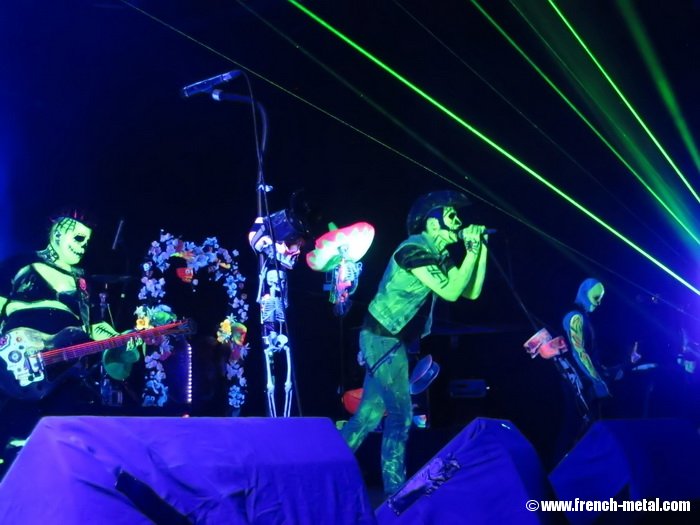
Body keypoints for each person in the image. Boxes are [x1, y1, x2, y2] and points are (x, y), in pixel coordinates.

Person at [339, 190, 489, 496]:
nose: (458, 222)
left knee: (368, 416)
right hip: (382, 336)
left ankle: (324, 467)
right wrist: (472, 251)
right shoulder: (413, 250)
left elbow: (470, 292)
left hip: (390, 340)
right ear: (432, 224)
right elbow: (450, 292)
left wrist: (480, 248)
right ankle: (396, 491)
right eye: (451, 216)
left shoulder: (438, 255)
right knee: (400, 414)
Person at [0, 210, 138, 475]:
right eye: (78, 238)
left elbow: (90, 327)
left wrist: (118, 339)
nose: (83, 246)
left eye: (87, 241)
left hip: (62, 369)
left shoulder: (82, 281)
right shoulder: (21, 262)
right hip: (15, 359)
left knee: (67, 431)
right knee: (11, 424)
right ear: (57, 233)